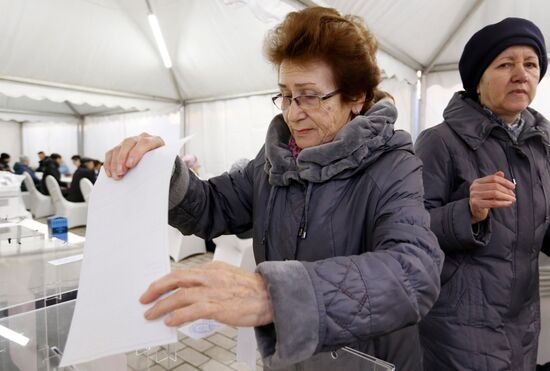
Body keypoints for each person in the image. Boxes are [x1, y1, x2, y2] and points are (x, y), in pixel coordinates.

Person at [104, 7, 442, 370]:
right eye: (285, 94)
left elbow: (413, 272)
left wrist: (275, 295)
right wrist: (163, 173)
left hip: (366, 362)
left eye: (310, 95)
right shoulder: (274, 161)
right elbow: (214, 205)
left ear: (356, 97)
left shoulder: (392, 164)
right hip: (288, 359)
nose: (293, 112)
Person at [415, 17, 550, 371]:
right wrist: (467, 211)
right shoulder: (438, 142)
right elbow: (406, 230)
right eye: (505, 64)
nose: (521, 74)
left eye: (531, 64)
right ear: (477, 80)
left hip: (522, 327)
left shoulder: (543, 147)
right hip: (457, 330)